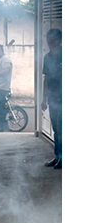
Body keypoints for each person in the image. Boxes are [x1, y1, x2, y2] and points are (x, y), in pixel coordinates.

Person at [42, 29, 62, 169]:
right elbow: (46, 79)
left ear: (60, 40)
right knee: (56, 129)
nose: (50, 43)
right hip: (53, 97)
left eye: (53, 40)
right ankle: (58, 156)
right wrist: (44, 98)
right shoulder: (47, 57)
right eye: (48, 40)